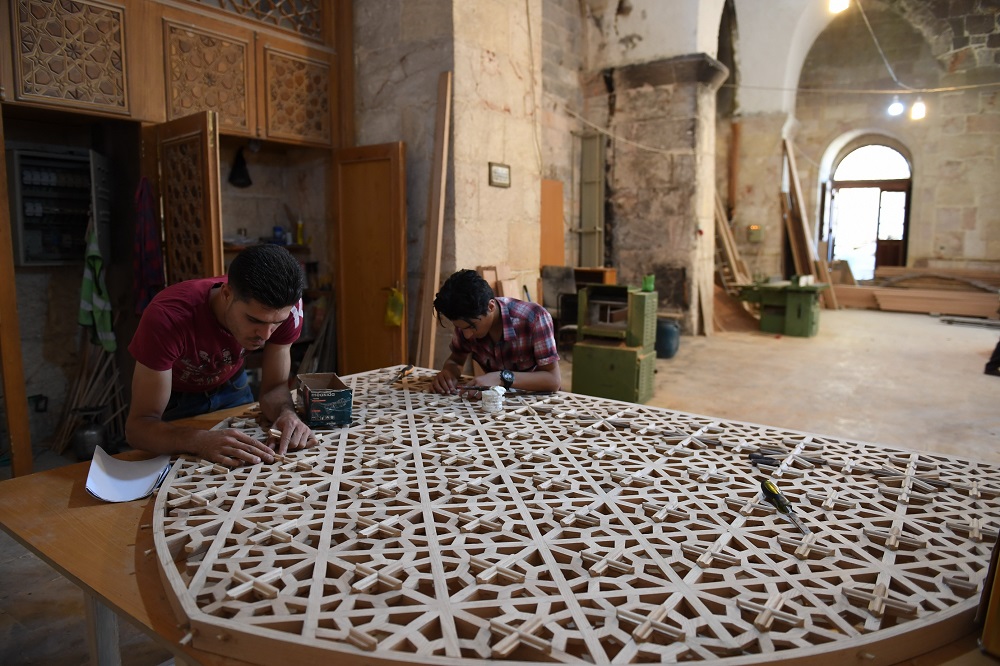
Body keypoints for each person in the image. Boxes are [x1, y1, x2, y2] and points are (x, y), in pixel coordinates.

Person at [125, 244, 314, 467]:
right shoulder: (168, 318)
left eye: (277, 324)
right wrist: (199, 440)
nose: (265, 336)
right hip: (174, 399)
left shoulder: (286, 309)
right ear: (226, 294)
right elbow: (138, 428)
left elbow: (274, 389)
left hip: (231, 384)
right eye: (254, 320)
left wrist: (286, 414)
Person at [430, 269, 561, 394]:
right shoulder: (466, 321)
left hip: (537, 401)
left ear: (491, 306)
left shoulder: (534, 318)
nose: (467, 334)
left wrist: (502, 378)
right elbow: (456, 360)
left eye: (472, 327)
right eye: (461, 328)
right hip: (496, 401)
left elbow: (553, 380)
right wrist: (449, 373)